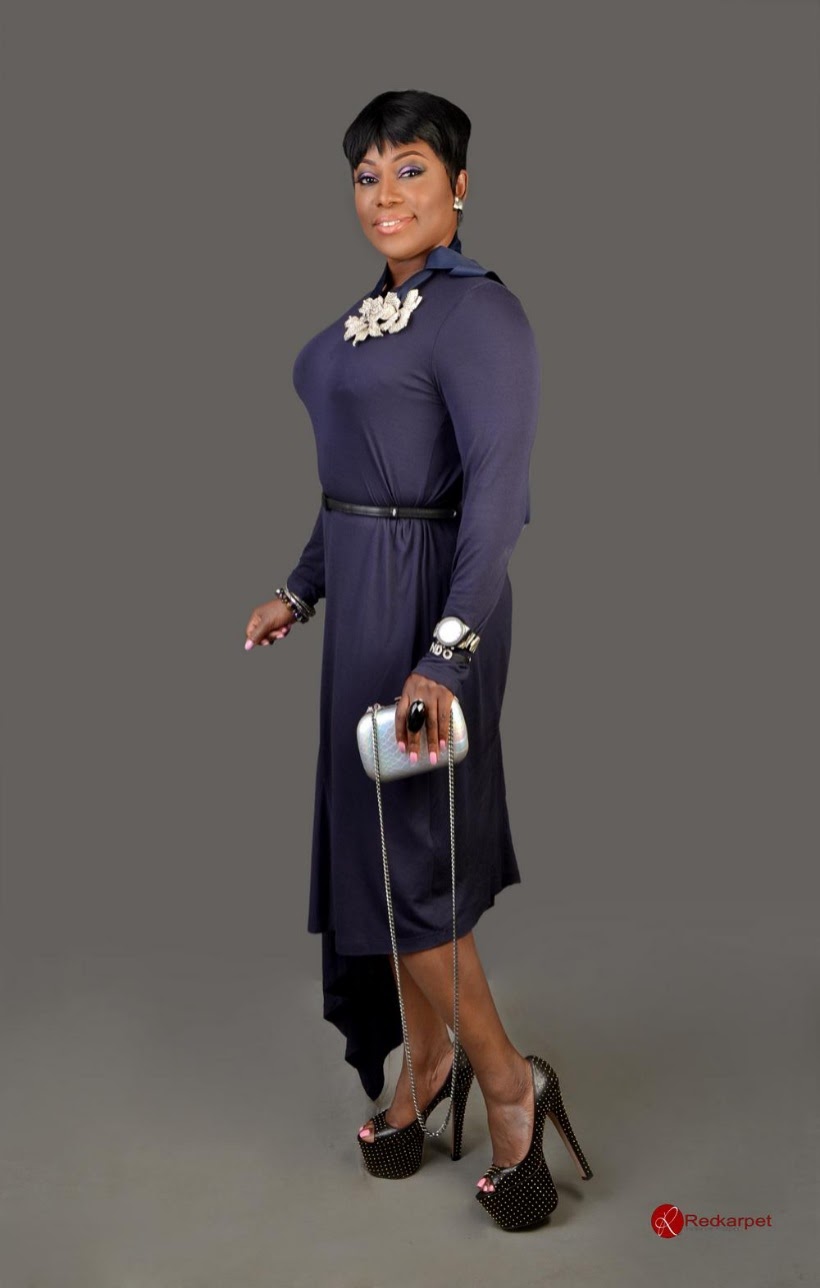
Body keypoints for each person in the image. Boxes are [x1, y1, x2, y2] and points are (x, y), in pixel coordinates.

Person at [244, 89, 593, 1232]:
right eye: (366, 174)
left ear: (459, 186)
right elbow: (349, 485)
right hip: (361, 610)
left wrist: (445, 654)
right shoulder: (370, 314)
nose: (384, 194)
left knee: (414, 862)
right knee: (377, 855)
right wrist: (302, 588)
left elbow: (492, 499)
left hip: (436, 608)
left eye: (410, 170)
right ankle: (428, 1061)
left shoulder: (479, 314)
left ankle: (510, 1083)